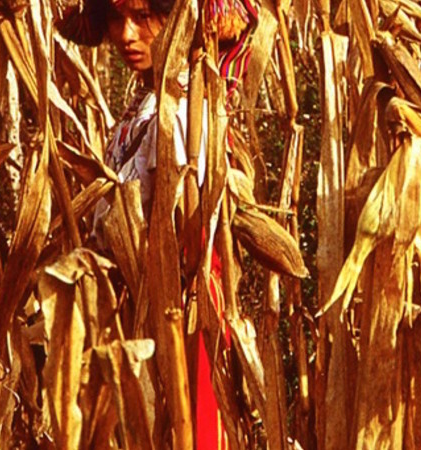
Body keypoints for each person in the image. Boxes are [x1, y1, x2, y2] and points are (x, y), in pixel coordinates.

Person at [57, 0, 257, 447]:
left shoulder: (187, 111)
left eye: (145, 17)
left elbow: (188, 221)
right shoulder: (144, 103)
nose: (127, 35)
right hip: (137, 300)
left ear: (179, 20)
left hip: (180, 306)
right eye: (117, 18)